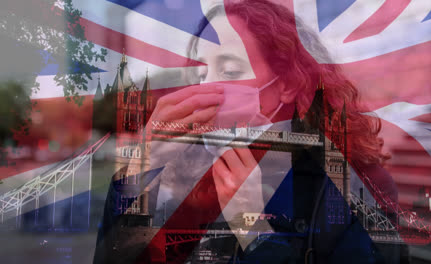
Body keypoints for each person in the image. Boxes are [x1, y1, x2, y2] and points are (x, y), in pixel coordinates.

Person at [95, 0, 401, 263]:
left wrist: (255, 233)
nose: (207, 88)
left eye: (229, 71)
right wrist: (137, 170)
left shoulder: (354, 188)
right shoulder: (187, 169)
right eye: (201, 73)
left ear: (289, 83)